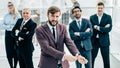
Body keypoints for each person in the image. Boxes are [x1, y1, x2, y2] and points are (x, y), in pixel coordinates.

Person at [90, 2, 112, 68]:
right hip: (94, 41)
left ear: (103, 8)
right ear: (96, 8)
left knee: (106, 60)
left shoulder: (108, 17)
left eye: (101, 8)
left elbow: (109, 29)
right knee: (91, 59)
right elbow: (90, 28)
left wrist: (97, 27)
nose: (100, 9)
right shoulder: (92, 17)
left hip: (104, 41)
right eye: (98, 8)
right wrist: (103, 28)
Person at [3, 2, 21, 68]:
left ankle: (15, 66)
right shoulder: (6, 16)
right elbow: (2, 25)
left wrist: (15, 27)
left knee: (16, 51)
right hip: (8, 34)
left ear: (14, 6)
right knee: (8, 51)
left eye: (11, 5)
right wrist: (9, 27)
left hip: (15, 34)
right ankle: (11, 66)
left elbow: (20, 25)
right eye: (8, 6)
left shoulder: (18, 15)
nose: (10, 7)